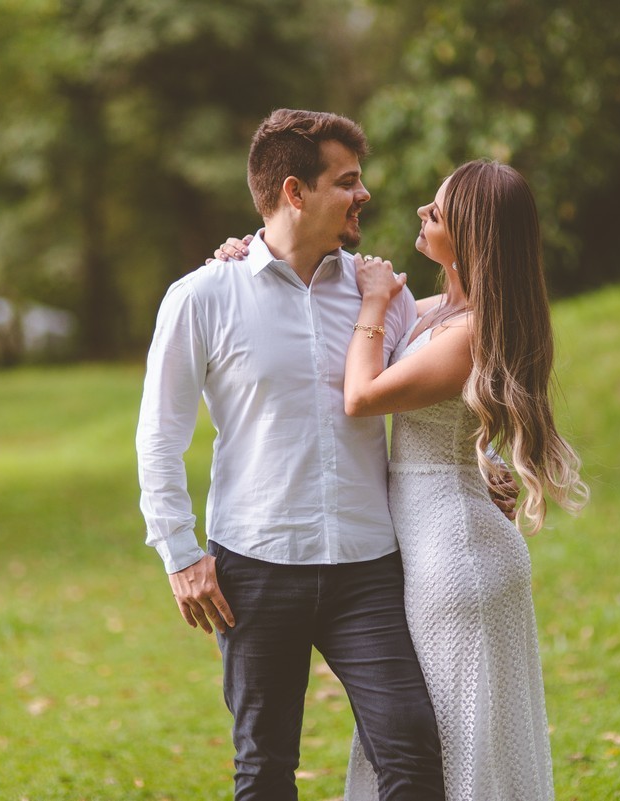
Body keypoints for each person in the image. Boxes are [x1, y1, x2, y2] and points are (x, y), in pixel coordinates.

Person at [213, 159, 588, 800]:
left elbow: (360, 395)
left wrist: (374, 299)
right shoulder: (440, 310)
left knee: (450, 741)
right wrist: (256, 253)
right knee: (417, 738)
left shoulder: (471, 331)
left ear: (471, 235)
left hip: (453, 556)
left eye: (436, 212)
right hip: (426, 540)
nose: (420, 212)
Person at [136, 109, 447, 801]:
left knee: (412, 751)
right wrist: (181, 554)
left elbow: (433, 386)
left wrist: (485, 461)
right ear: (294, 193)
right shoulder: (204, 296)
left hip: (367, 566)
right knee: (266, 768)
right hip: (255, 565)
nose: (364, 195)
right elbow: (159, 433)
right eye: (348, 181)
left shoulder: (381, 295)